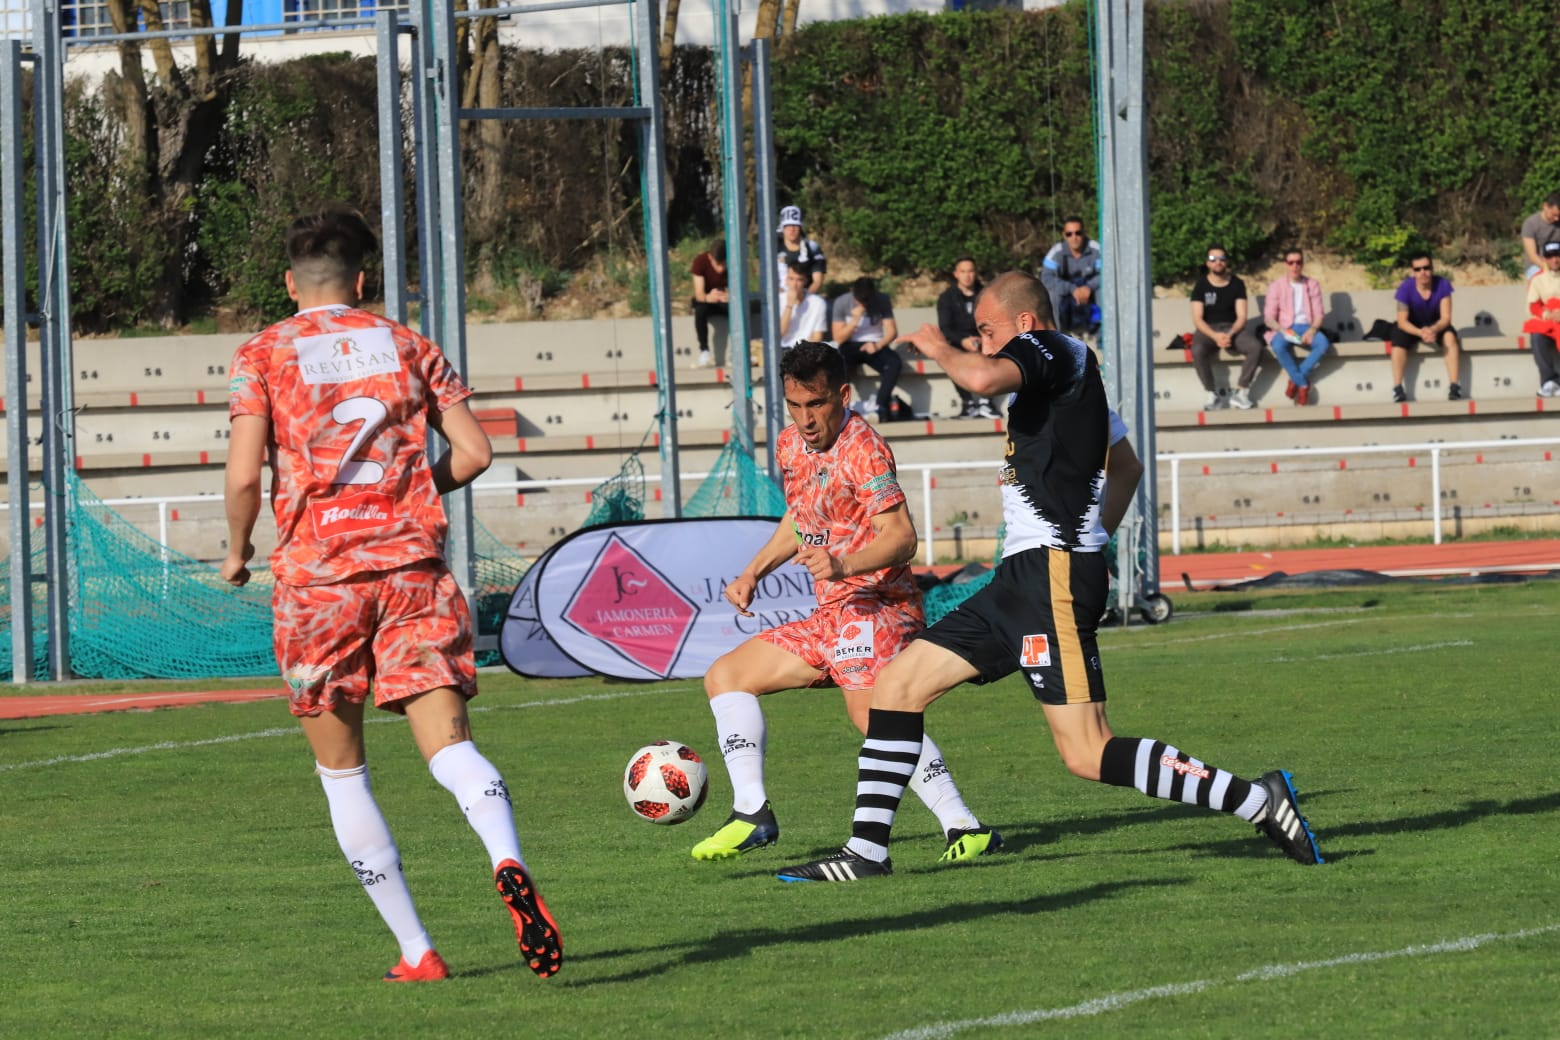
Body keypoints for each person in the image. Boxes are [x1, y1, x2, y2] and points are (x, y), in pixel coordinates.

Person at [775, 272, 1323, 883]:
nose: (983, 344)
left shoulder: (1061, 351)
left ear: (1026, 326)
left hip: (1052, 576)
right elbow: (1129, 467)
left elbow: (980, 377)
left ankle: (1257, 799)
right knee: (896, 689)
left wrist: (937, 348)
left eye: (987, 330)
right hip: (1021, 579)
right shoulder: (1063, 387)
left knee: (1087, 752)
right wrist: (1097, 537)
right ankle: (866, 854)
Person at [220, 206, 563, 982]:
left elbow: (245, 475)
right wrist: (413, 497)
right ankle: (506, 857)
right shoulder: (409, 346)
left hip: (320, 582)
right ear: (363, 281)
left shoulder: (264, 353)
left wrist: (240, 552)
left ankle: (418, 951)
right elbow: (475, 452)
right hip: (413, 572)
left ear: (288, 283)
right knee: (451, 747)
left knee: (344, 774)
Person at [691, 340, 1002, 864]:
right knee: (726, 676)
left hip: (878, 606)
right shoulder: (792, 446)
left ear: (842, 394)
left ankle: (964, 826)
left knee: (873, 716)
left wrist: (842, 565)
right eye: (795, 406)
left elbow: (901, 536)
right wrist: (752, 573)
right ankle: (752, 812)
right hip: (830, 614)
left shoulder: (864, 449)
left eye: (816, 405)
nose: (806, 419)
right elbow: (800, 517)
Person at [1189, 245, 1264, 410]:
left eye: (1222, 259)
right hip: (1208, 329)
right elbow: (1197, 319)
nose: (1218, 262)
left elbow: (1242, 317)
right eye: (1213, 259)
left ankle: (1241, 392)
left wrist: (1229, 334)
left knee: (1255, 347)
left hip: (1232, 328)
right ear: (1207, 263)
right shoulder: (1201, 285)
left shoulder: (1237, 284)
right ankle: (1211, 393)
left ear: (1226, 262)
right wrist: (1215, 336)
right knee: (1197, 349)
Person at [1389, 253, 1463, 402]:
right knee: (1398, 343)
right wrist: (1420, 332)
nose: (1422, 272)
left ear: (1432, 269)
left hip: (1436, 324)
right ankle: (1397, 388)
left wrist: (1434, 329)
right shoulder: (1405, 288)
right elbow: (1402, 321)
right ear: (1412, 272)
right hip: (1412, 326)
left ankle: (1454, 386)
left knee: (1450, 338)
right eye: (1418, 269)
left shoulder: (1443, 284)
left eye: (1426, 268)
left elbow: (1446, 318)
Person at [1262, 248, 1332, 405]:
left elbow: (1319, 314)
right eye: (1291, 262)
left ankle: (1296, 379)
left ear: (1302, 264)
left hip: (1307, 326)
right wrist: (1282, 330)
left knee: (1323, 344)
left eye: (1298, 262)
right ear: (1285, 264)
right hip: (1286, 327)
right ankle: (1303, 384)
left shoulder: (1312, 285)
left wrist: (1312, 330)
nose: (1295, 266)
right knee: (1279, 345)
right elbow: (1269, 317)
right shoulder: (1276, 286)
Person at [831, 276, 904, 420]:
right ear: (852, 292)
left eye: (867, 300)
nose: (864, 303)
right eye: (860, 300)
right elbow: (838, 338)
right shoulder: (841, 302)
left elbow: (892, 331)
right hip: (850, 344)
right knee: (839, 364)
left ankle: (879, 406)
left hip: (875, 343)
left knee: (894, 363)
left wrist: (878, 345)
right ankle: (842, 408)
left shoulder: (882, 299)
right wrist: (854, 321)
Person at [937, 257, 999, 418]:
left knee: (995, 351)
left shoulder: (987, 294)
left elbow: (994, 321)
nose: (967, 276)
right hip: (958, 342)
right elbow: (945, 328)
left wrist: (983, 338)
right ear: (956, 274)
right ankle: (968, 403)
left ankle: (987, 402)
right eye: (963, 271)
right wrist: (963, 340)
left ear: (976, 273)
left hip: (984, 340)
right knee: (948, 355)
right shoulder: (947, 298)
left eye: (971, 271)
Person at [1039, 217, 1102, 337]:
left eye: (1078, 233)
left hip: (1091, 291)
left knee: (1103, 292)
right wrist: (1072, 289)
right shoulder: (1056, 252)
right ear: (1064, 235)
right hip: (1067, 293)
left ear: (1084, 233)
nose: (1074, 237)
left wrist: (1089, 287)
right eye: (1069, 234)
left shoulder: (1096, 249)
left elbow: (1106, 274)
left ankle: (1102, 338)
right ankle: (1058, 338)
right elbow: (1046, 278)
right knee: (1053, 295)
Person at [1521, 240, 1560, 397]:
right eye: (1550, 257)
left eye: (1557, 256)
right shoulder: (1538, 279)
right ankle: (1549, 380)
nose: (1555, 260)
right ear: (1544, 259)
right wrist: (1548, 315)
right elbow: (1533, 306)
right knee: (1537, 337)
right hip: (1548, 321)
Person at [690, 238, 729, 369]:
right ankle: (704, 351)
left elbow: (739, 289)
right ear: (709, 257)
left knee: (740, 309)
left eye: (723, 264)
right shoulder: (700, 262)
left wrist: (730, 296)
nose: (720, 269)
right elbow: (699, 294)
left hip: (726, 302)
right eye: (717, 264)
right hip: (707, 301)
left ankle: (738, 350)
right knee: (700, 310)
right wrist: (709, 297)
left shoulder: (734, 261)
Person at [776, 205, 826, 297]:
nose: (792, 229)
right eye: (788, 226)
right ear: (782, 228)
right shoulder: (774, 247)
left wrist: (803, 299)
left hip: (806, 297)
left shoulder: (813, 248)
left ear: (801, 227)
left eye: (795, 225)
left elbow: (817, 281)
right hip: (780, 297)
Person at [779, 259, 829, 350]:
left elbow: (817, 336)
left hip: (806, 350)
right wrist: (789, 306)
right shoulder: (778, 300)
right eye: (791, 279)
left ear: (805, 281)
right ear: (786, 280)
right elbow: (779, 333)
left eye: (799, 280)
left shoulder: (818, 303)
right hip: (783, 348)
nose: (794, 284)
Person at [1520, 194, 1560, 280]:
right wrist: (1548, 269)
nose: (1557, 219)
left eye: (1559, 216)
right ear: (1545, 206)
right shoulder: (1530, 224)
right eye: (1554, 215)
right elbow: (1532, 255)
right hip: (1536, 265)